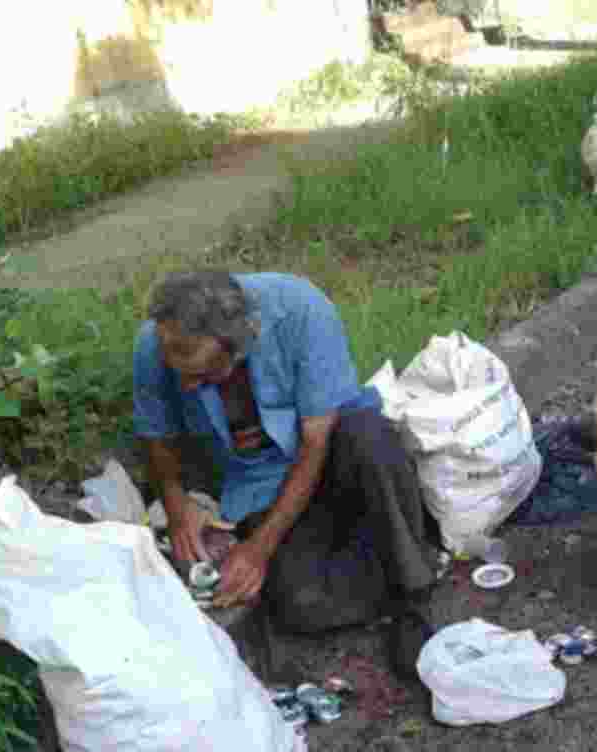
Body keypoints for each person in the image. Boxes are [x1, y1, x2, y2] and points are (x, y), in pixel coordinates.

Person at [132, 269, 438, 678]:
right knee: (298, 606)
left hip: (333, 454)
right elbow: (158, 434)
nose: (188, 388)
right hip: (262, 486)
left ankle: (412, 595)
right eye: (180, 376)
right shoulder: (155, 343)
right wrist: (177, 506)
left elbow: (316, 444)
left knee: (371, 436)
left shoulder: (300, 310)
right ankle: (396, 549)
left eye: (203, 377)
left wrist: (259, 549)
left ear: (242, 344)